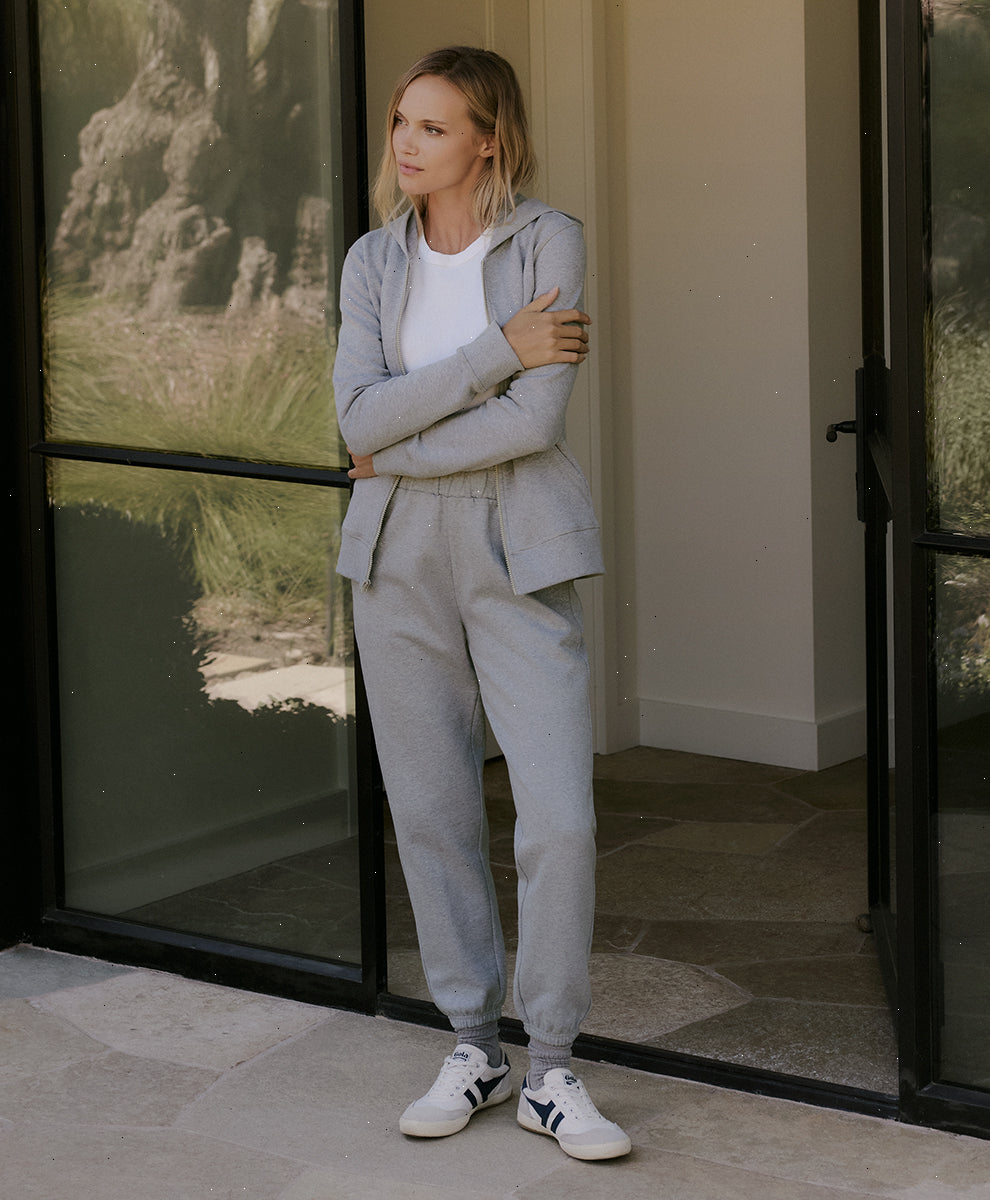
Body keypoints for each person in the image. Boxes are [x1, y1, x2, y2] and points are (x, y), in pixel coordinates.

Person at [333, 45, 630, 1162]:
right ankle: (473, 1044)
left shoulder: (548, 239)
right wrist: (496, 351)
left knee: (558, 817)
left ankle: (550, 1065)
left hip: (517, 543)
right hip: (396, 554)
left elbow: (533, 423)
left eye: (434, 126)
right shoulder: (373, 259)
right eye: (401, 122)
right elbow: (356, 419)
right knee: (431, 810)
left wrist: (399, 445)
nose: (406, 144)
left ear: (488, 139)